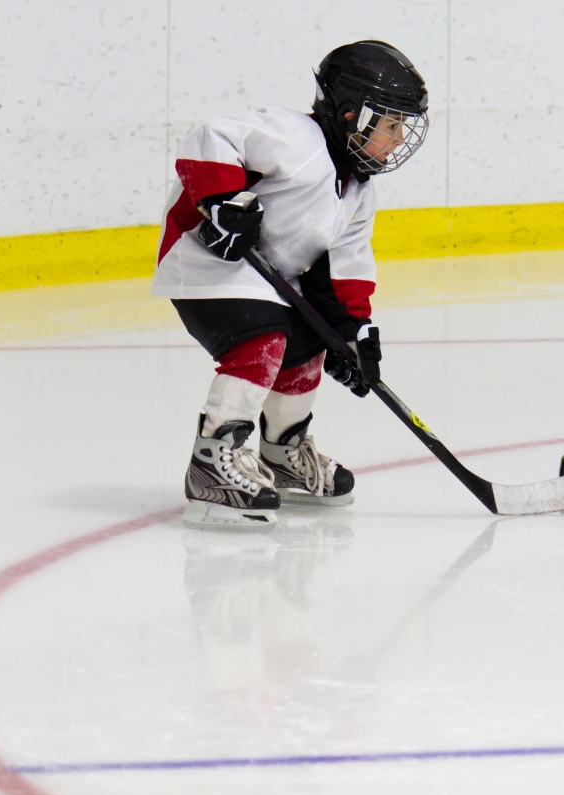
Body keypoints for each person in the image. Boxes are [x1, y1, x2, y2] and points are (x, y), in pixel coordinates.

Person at [152, 40, 429, 527]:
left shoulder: (358, 192)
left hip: (269, 278)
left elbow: (340, 269)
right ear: (351, 116)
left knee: (308, 346)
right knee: (263, 341)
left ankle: (282, 453)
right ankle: (212, 463)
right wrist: (221, 201)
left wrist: (351, 334)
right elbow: (210, 137)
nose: (398, 138)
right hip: (204, 261)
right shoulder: (294, 137)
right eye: (391, 125)